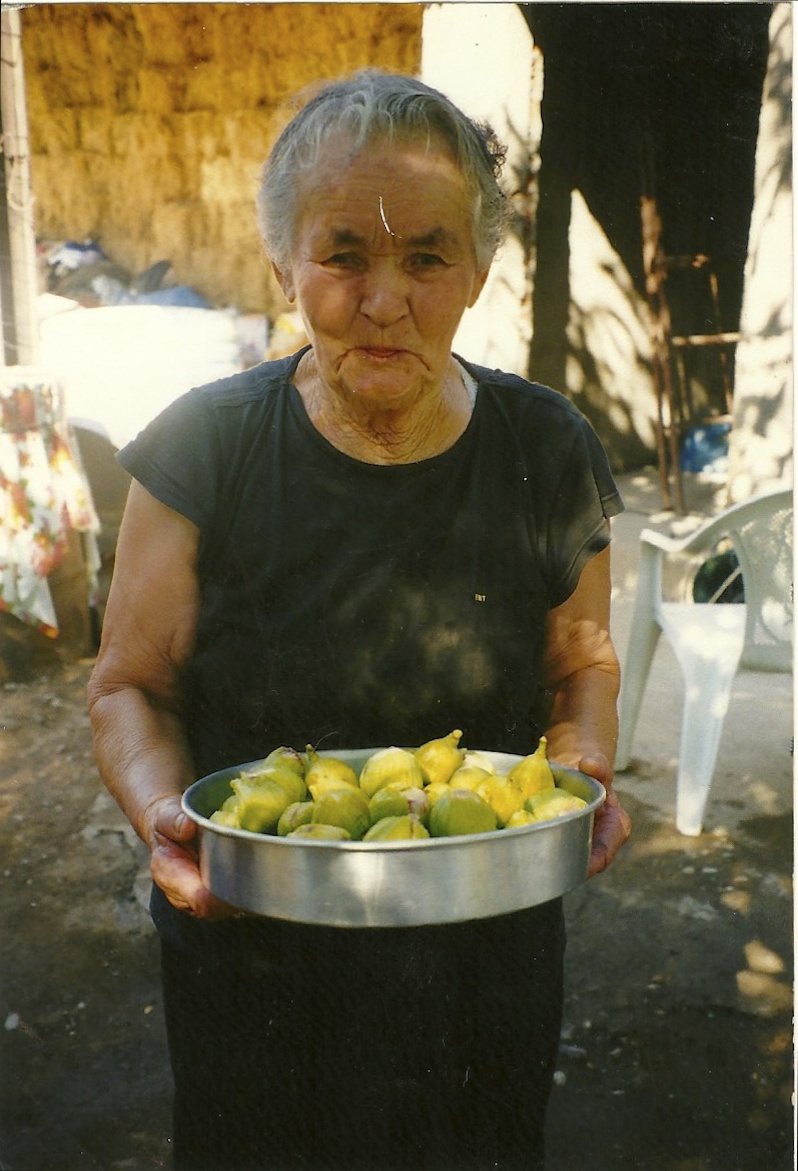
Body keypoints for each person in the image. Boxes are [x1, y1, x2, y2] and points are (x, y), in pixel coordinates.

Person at [88, 69, 631, 1171]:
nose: (385, 300)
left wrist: (583, 769)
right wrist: (165, 815)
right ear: (285, 266)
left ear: (477, 272)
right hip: (249, 956)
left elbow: (582, 660)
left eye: (427, 256)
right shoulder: (204, 449)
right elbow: (128, 684)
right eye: (344, 253)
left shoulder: (546, 448)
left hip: (484, 952)